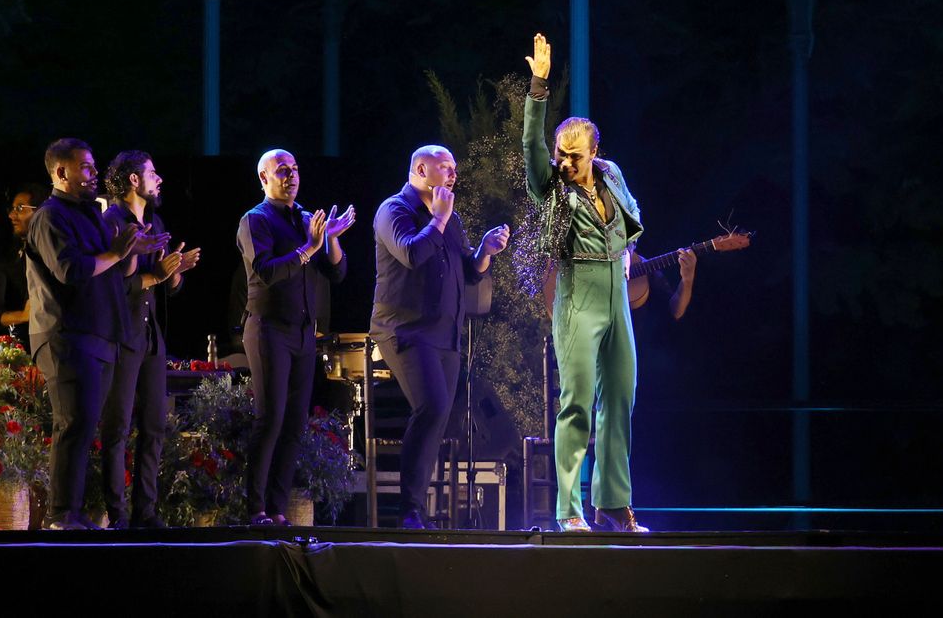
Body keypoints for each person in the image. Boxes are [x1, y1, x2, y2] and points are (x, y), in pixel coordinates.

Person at [522, 33, 649, 533]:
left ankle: (613, 503)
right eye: (561, 153)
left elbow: (630, 218)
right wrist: (539, 87)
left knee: (620, 396)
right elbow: (531, 144)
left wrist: (627, 254)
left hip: (616, 290)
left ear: (595, 152)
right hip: (577, 292)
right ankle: (569, 510)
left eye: (576, 155)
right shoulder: (549, 183)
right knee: (576, 401)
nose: (566, 162)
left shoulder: (611, 174)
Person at [24, 138, 164, 530]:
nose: (93, 174)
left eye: (93, 166)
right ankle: (60, 516)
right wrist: (118, 253)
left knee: (85, 428)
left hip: (99, 337)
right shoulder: (50, 216)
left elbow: (116, 272)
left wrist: (134, 250)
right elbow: (71, 270)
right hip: (66, 336)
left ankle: (74, 512)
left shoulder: (89, 215)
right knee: (74, 423)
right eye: (84, 168)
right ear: (61, 172)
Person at [370, 145, 510, 529]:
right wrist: (439, 220)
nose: (452, 174)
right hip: (405, 329)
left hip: (445, 335)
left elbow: (469, 272)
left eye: (454, 168)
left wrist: (485, 251)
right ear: (420, 169)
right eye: (445, 168)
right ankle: (409, 511)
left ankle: (417, 510)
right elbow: (411, 255)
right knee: (430, 407)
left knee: (439, 416)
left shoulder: (451, 218)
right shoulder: (393, 210)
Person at [237, 149, 355, 526]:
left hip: (304, 334)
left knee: (294, 423)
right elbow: (266, 272)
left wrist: (331, 240)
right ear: (264, 178)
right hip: (269, 328)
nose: (291, 176)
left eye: (295, 170)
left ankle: (277, 508)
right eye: (282, 171)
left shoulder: (306, 218)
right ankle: (254, 508)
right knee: (269, 419)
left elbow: (336, 274)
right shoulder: (255, 220)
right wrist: (307, 248)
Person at [100, 152, 201, 529]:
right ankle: (117, 513)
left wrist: (175, 271)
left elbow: (165, 283)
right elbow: (112, 284)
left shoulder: (155, 220)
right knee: (117, 427)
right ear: (132, 181)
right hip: (121, 335)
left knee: (155, 425)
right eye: (152, 173)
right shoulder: (112, 221)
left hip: (149, 336)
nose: (159, 179)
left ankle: (146, 511)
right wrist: (157, 274)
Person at [0, 183, 50, 340]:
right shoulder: (6, 257)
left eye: (20, 208)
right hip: (19, 343)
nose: (11, 215)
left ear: (40, 212)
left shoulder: (53, 252)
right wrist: (23, 315)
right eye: (13, 208)